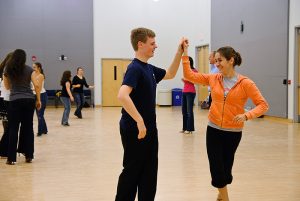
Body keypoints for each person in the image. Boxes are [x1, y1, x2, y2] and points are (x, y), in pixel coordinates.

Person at [182, 43, 269, 201]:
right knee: (216, 167)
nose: (216, 64)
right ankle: (226, 198)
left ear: (231, 60)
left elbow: (263, 105)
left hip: (233, 133)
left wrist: (246, 115)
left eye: (219, 60)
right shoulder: (214, 78)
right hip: (213, 129)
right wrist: (185, 54)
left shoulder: (246, 83)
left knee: (226, 170)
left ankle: (221, 193)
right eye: (215, 61)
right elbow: (190, 76)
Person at [115, 27, 185, 201]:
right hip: (135, 130)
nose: (156, 46)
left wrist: (179, 53)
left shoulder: (149, 69)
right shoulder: (135, 68)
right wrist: (139, 121)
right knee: (132, 171)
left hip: (150, 129)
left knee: (149, 172)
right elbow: (122, 95)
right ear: (141, 44)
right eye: (152, 43)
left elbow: (170, 74)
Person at [3, 49, 41, 165]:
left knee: (14, 128)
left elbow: (7, 87)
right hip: (29, 100)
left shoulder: (8, 69)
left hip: (15, 100)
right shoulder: (30, 69)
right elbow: (37, 85)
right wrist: (38, 100)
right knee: (28, 127)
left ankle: (11, 158)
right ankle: (29, 155)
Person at [180, 56, 198, 134]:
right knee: (184, 111)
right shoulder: (186, 71)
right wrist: (185, 80)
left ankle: (190, 129)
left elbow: (195, 81)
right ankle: (184, 128)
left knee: (189, 111)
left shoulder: (194, 70)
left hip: (191, 92)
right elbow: (187, 80)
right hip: (184, 91)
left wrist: (186, 79)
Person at [0, 52, 13, 158]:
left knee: (7, 125)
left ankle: (6, 148)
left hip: (4, 99)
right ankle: (4, 149)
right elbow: (8, 87)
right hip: (5, 100)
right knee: (8, 126)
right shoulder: (6, 71)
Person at [32, 62, 48, 136]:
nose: (33, 68)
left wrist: (32, 89)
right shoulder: (32, 74)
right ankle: (45, 129)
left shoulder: (41, 76)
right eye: (33, 67)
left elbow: (39, 88)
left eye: (34, 67)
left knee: (39, 114)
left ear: (39, 67)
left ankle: (40, 131)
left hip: (41, 95)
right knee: (39, 114)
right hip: (35, 95)